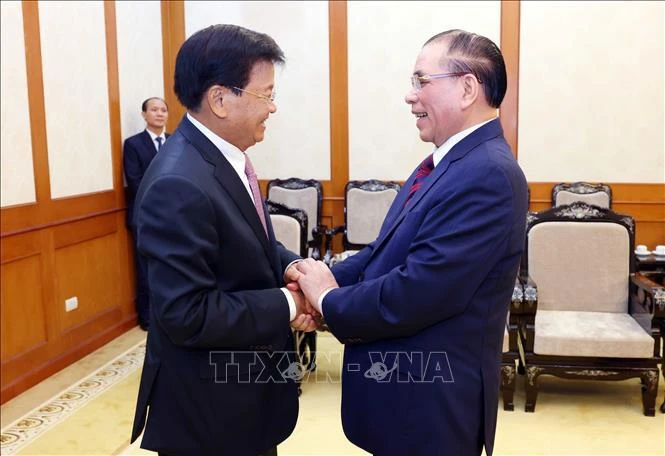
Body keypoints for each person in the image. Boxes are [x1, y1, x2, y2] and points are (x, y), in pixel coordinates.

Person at [294, 29, 528, 456]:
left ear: (467, 88)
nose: (410, 95)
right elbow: (387, 252)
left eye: (422, 81)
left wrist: (327, 300)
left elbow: (420, 290)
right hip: (405, 398)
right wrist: (319, 278)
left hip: (431, 408)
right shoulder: (447, 161)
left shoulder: (489, 174)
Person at [130, 24, 316, 456]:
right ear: (219, 99)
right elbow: (188, 313)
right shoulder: (177, 181)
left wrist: (291, 267)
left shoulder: (219, 158)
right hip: (209, 413)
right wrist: (293, 303)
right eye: (266, 94)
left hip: (244, 398)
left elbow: (248, 239)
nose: (273, 107)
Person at [122, 97, 170, 330]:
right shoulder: (133, 144)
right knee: (145, 268)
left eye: (163, 110)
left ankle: (170, 313)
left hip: (176, 216)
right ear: (144, 114)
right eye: (154, 109)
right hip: (145, 217)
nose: (159, 114)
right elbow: (135, 182)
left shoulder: (175, 142)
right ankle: (148, 318)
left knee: (172, 267)